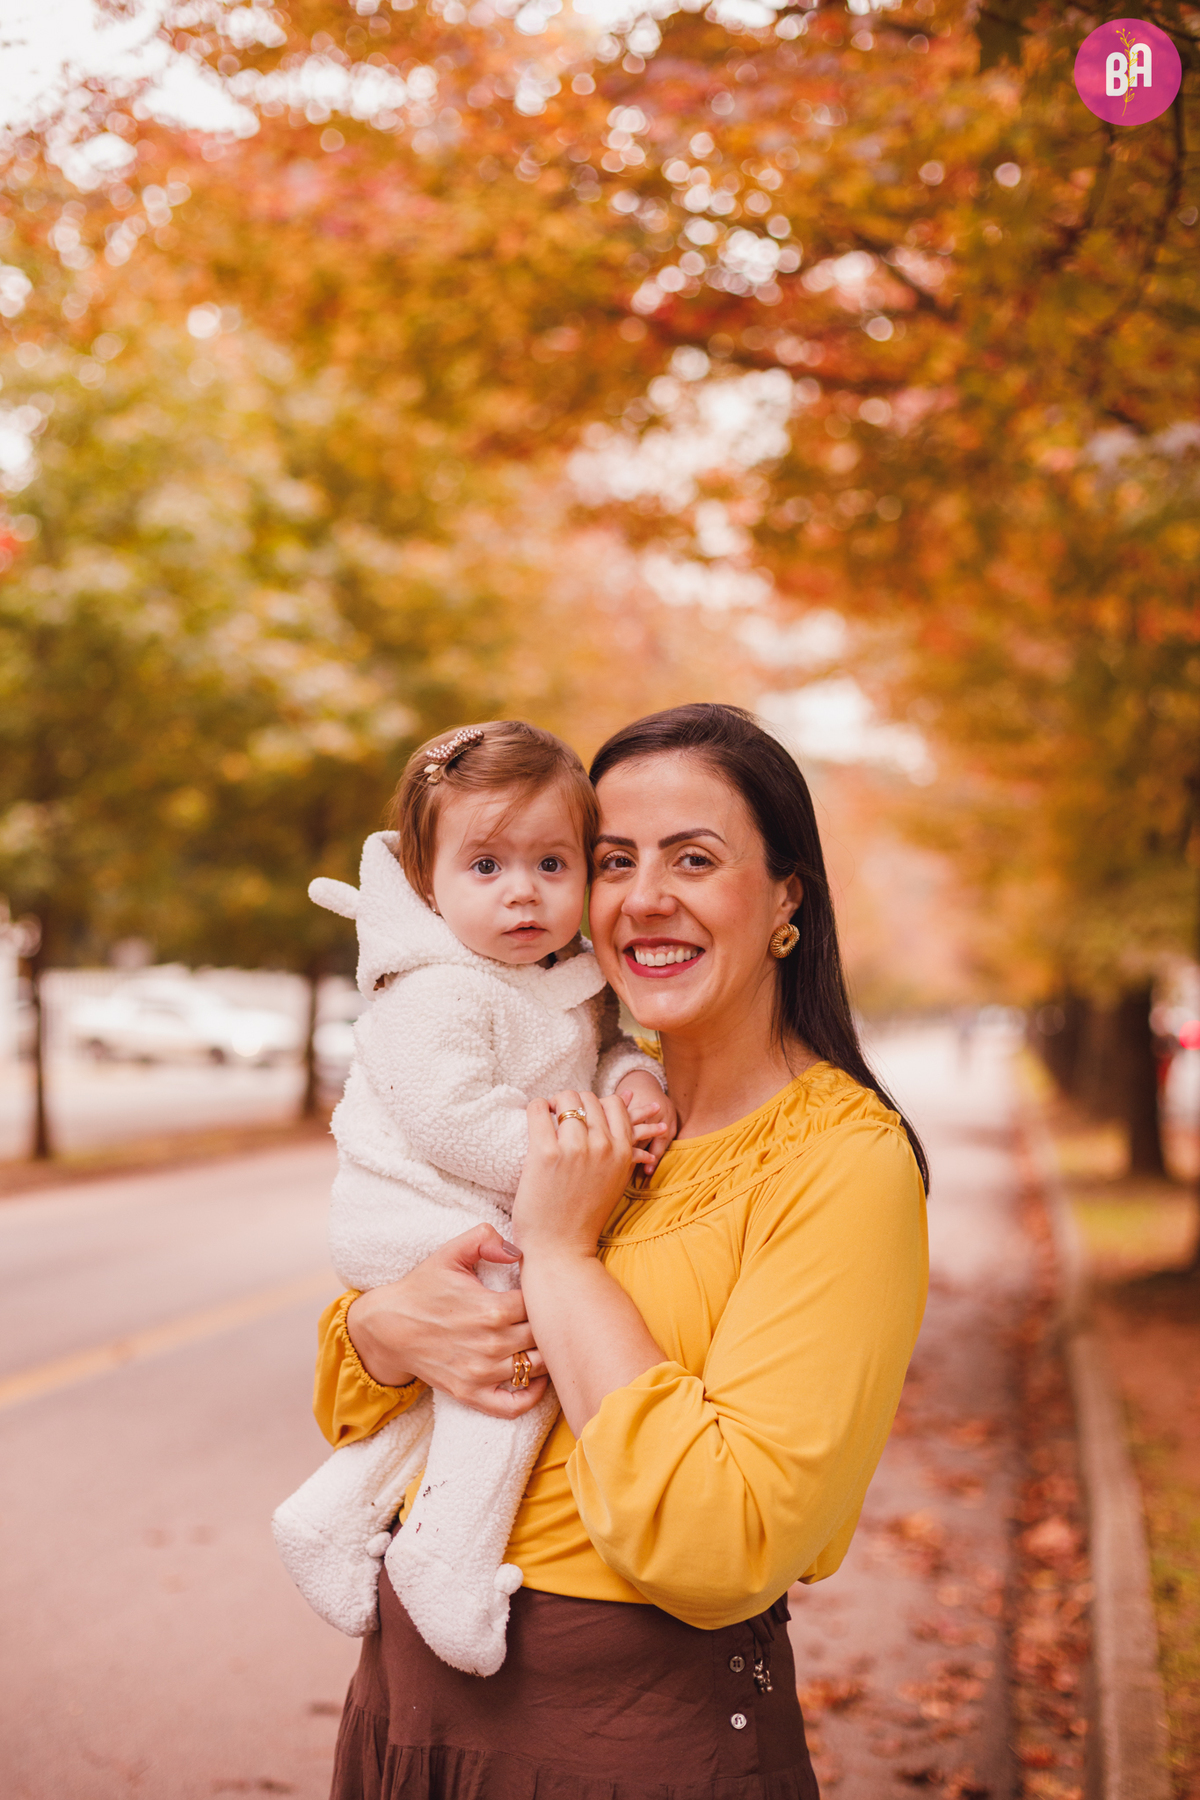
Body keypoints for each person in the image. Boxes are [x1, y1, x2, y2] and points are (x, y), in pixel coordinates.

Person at [317, 702, 930, 1800]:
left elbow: (722, 1544)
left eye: (694, 858)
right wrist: (381, 1330)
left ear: (788, 893)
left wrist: (559, 1254)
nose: (645, 897)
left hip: (625, 1744)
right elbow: (350, 1395)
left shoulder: (843, 1163)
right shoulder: (567, 1098)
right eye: (612, 861)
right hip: (408, 1709)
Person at [274, 720, 672, 1677]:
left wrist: (631, 1082)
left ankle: (328, 1516)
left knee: (467, 1373)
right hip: (412, 1212)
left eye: (550, 862)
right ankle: (444, 1555)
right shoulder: (436, 991)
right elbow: (452, 1119)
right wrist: (588, 1167)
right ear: (426, 883)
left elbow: (598, 1049)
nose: (523, 892)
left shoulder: (560, 980)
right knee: (523, 1364)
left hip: (478, 1211)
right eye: (485, 865)